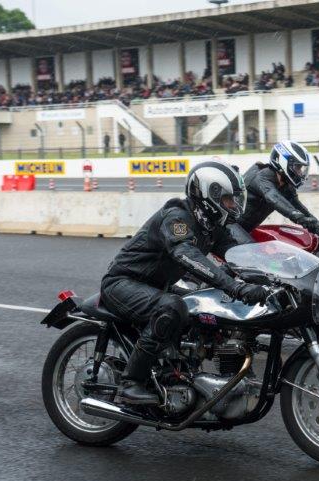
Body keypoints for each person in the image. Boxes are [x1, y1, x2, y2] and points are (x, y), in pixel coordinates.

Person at [100, 161, 270, 405]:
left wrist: (272, 274)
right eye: (228, 199)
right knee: (172, 307)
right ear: (208, 195)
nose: (233, 205)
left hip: (156, 286)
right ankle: (131, 383)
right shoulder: (177, 216)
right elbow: (187, 254)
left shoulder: (211, 226)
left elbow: (238, 254)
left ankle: (180, 371)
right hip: (123, 283)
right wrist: (235, 287)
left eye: (235, 199)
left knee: (206, 304)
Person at [238, 140, 319, 236]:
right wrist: (299, 218)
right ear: (283, 162)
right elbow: (274, 198)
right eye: (297, 167)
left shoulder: (285, 185)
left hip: (246, 230)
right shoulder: (261, 177)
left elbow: (298, 207)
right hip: (228, 228)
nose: (300, 173)